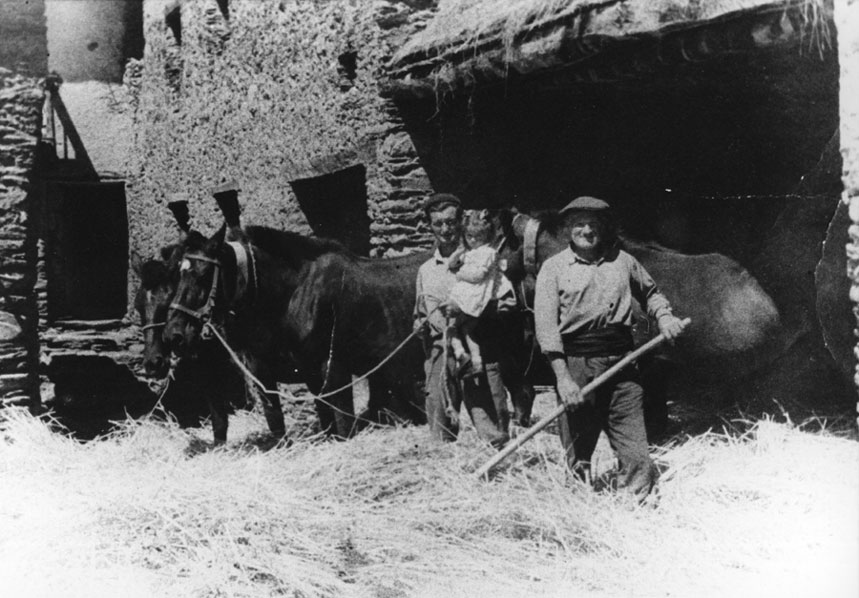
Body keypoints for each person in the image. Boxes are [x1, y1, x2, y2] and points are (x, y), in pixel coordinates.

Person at [533, 196, 685, 501]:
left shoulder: (623, 261)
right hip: (576, 366)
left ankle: (636, 502)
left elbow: (651, 292)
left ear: (604, 228)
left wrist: (665, 317)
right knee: (578, 454)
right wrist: (563, 378)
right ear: (567, 230)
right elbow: (547, 329)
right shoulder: (553, 268)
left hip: (622, 364)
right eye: (579, 224)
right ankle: (579, 505)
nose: (587, 230)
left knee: (636, 450)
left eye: (593, 224)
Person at [414, 194, 510, 448]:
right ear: (430, 226)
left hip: (479, 350)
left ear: (461, 222)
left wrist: (474, 311)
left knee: (493, 424)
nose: (445, 230)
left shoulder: (482, 257)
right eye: (438, 224)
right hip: (441, 353)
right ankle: (445, 471)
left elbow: (508, 302)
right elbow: (420, 315)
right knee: (440, 427)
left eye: (451, 222)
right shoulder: (425, 270)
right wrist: (423, 327)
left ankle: (499, 469)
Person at [445, 209, 516, 375]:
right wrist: (460, 251)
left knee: (454, 327)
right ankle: (473, 360)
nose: (473, 240)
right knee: (465, 328)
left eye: (478, 237)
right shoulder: (470, 252)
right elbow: (451, 264)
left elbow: (479, 275)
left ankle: (462, 354)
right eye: (469, 236)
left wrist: (460, 274)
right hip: (468, 293)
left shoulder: (488, 253)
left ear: (487, 236)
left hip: (476, 294)